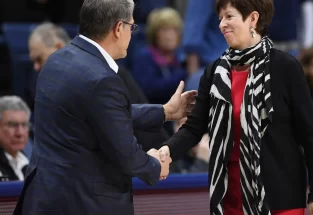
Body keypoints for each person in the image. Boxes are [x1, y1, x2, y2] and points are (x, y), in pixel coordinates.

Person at [13, 0, 196, 215]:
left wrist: (165, 112)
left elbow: (105, 115)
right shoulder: (102, 79)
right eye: (132, 26)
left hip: (43, 200)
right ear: (119, 28)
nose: (132, 33)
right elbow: (126, 155)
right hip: (83, 204)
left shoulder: (56, 61)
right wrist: (155, 165)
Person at [158, 0, 313, 215]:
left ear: (253, 19)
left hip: (281, 197)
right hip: (230, 197)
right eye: (220, 19)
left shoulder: (286, 67)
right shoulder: (214, 72)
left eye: (229, 17)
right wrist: (167, 149)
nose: (222, 25)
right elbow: (194, 128)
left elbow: (309, 137)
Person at [28, 22, 170, 151]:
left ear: (58, 47)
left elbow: (137, 123)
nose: (35, 67)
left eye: (39, 59)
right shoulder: (48, 86)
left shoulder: (106, 73)